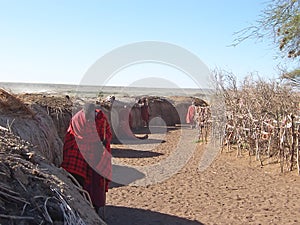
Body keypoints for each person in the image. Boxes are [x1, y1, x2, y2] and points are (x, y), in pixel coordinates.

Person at [60, 103, 112, 218]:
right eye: (87, 116)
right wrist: (94, 142)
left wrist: (104, 141)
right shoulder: (78, 119)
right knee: (78, 179)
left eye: (91, 116)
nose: (89, 119)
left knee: (97, 181)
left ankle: (96, 207)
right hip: (79, 151)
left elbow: (107, 133)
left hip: (97, 154)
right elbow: (77, 136)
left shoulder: (101, 120)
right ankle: (82, 204)